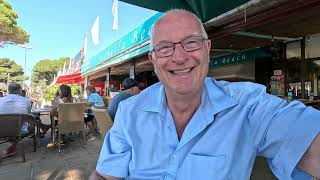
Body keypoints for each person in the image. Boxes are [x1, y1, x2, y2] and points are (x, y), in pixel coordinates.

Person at [90, 9, 320, 179]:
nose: (179, 57)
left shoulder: (248, 106)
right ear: (153, 60)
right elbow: (104, 175)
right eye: (164, 47)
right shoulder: (130, 112)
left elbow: (308, 142)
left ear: (208, 49)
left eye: (191, 42)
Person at [0, 83, 50, 159]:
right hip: (20, 130)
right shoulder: (26, 101)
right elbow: (29, 116)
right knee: (33, 118)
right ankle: (43, 128)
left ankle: (10, 146)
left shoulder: (1, 100)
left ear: (9, 91)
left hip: (2, 131)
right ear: (20, 91)